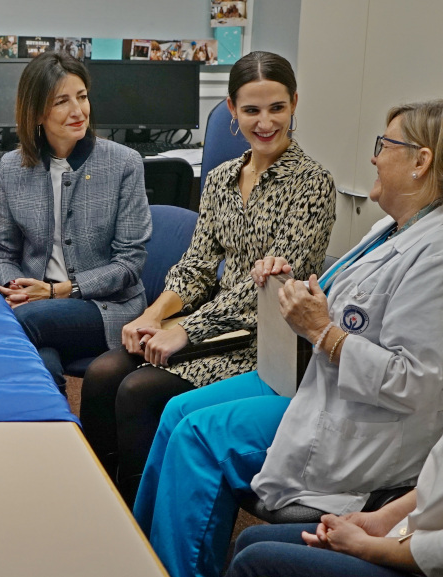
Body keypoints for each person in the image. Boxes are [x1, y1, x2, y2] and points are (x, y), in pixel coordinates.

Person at [134, 98, 443, 577]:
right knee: (179, 416)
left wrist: (323, 329)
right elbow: (349, 311)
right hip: (321, 390)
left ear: (421, 161)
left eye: (384, 145)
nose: (374, 158)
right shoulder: (390, 229)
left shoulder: (436, 256)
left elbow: (416, 384)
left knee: (200, 437)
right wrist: (290, 285)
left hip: (367, 428)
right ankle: (139, 556)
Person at [79, 51, 336, 505]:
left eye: (277, 108)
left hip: (263, 340)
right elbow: (196, 267)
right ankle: (99, 503)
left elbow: (267, 294)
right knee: (101, 376)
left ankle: (140, 523)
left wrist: (182, 332)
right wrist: (153, 317)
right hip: (212, 326)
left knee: (139, 390)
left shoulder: (313, 184)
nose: (265, 122)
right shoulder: (219, 179)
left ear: (294, 104)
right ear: (232, 111)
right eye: (252, 110)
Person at [0, 51, 151, 393]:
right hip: (36, 306)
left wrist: (58, 291)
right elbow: (2, 254)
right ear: (36, 113)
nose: (78, 111)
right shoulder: (11, 168)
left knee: (16, 326)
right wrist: (19, 289)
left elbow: (129, 264)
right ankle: (56, 425)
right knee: (40, 364)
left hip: (105, 306)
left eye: (82, 97)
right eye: (62, 101)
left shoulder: (124, 163)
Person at [227, 430, 443, 577]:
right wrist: (381, 518)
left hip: (421, 562)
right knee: (250, 537)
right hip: (409, 533)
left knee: (255, 561)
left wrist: (363, 546)